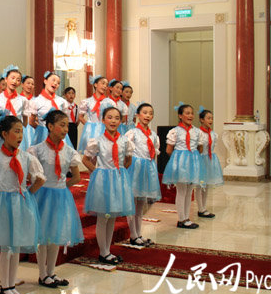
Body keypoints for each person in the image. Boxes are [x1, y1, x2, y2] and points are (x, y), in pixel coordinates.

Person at [0, 115, 45, 294]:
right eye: (16, 131)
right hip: (4, 203)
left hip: (21, 202)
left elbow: (40, 178)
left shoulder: (26, 157)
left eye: (21, 131)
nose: (20, 135)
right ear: (5, 134)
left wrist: (28, 192)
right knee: (6, 247)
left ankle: (12, 286)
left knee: (16, 246)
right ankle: (5, 287)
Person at [28, 110, 83, 288]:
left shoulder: (69, 151)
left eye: (67, 125)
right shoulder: (37, 150)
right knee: (43, 237)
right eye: (62, 125)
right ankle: (42, 274)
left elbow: (76, 177)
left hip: (60, 196)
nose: (66, 129)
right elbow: (33, 177)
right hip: (43, 195)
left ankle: (51, 272)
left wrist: (62, 188)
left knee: (56, 236)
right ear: (50, 126)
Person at [82, 106, 133, 265]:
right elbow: (85, 160)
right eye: (109, 117)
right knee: (103, 217)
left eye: (116, 118)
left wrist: (120, 172)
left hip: (118, 179)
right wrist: (97, 172)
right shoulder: (97, 141)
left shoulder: (124, 140)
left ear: (121, 120)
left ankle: (108, 250)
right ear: (103, 120)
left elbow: (128, 159)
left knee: (112, 217)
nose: (113, 121)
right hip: (102, 181)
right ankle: (103, 252)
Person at [124, 103, 160, 246]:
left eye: (150, 113)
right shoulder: (132, 133)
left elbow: (154, 154)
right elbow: (126, 153)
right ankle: (133, 234)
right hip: (135, 168)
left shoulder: (153, 135)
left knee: (141, 204)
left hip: (147, 169)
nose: (148, 116)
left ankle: (139, 233)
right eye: (144, 112)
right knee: (132, 203)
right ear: (138, 115)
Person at [163, 103, 203, 230]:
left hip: (193, 162)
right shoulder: (174, 131)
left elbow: (200, 148)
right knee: (181, 191)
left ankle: (187, 217)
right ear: (180, 116)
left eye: (191, 113)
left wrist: (193, 157)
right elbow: (169, 150)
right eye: (187, 113)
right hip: (181, 163)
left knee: (189, 190)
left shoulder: (197, 131)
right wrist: (179, 159)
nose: (190, 115)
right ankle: (181, 219)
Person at [0, 65, 28, 154]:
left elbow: (25, 120)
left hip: (16, 133)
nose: (15, 81)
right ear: (6, 79)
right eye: (12, 78)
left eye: (18, 80)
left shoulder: (23, 100)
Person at [27, 71, 73, 147]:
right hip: (42, 135)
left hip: (59, 133)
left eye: (58, 83)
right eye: (53, 80)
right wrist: (42, 129)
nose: (55, 83)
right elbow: (31, 122)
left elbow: (65, 119)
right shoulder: (36, 101)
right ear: (45, 81)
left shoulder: (62, 101)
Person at [196, 107, 223, 219]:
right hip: (201, 159)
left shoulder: (213, 134)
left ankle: (204, 207)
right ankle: (200, 208)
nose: (210, 120)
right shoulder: (199, 133)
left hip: (210, 159)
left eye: (211, 118)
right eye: (208, 118)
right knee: (199, 184)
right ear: (202, 120)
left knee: (206, 184)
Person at [77, 75, 112, 152]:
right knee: (91, 155)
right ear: (95, 84)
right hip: (91, 131)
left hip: (105, 129)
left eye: (106, 85)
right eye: (103, 83)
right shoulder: (87, 101)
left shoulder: (109, 102)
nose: (105, 86)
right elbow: (80, 117)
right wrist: (89, 125)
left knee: (104, 153)